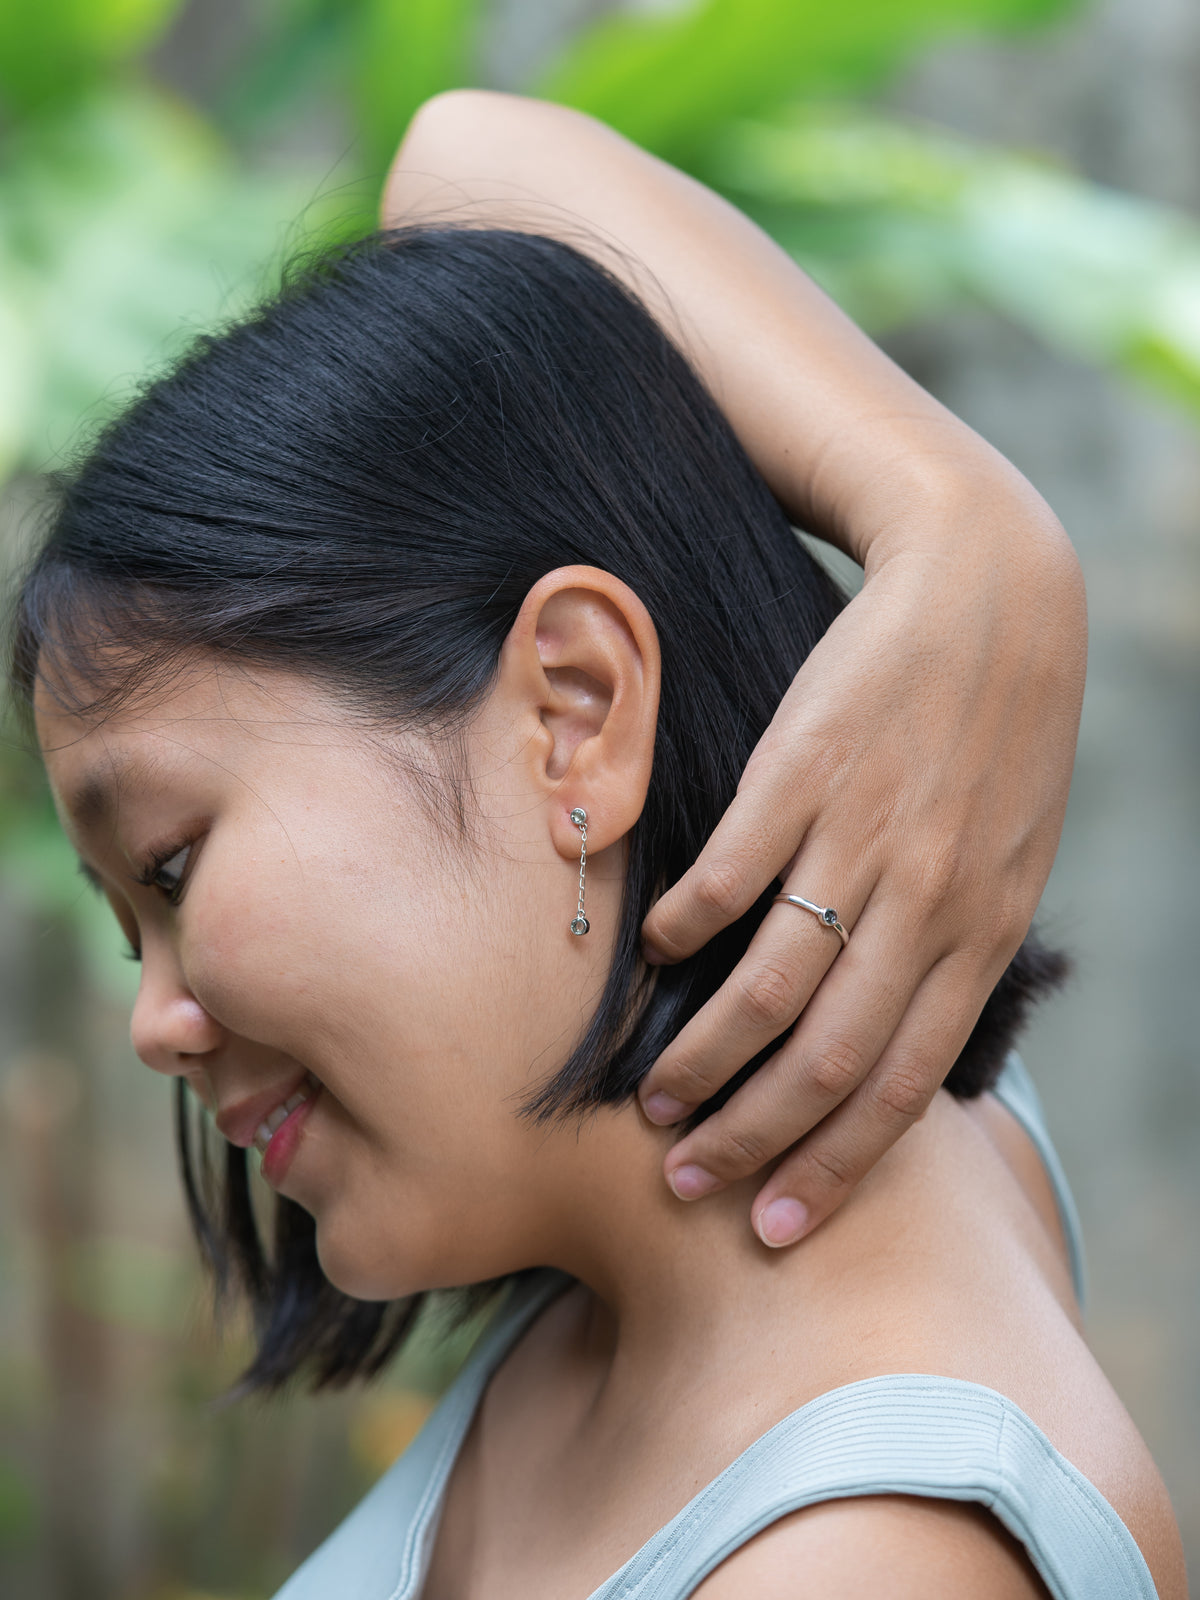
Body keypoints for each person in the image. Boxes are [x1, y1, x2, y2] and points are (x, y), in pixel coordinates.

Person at [14, 94, 1185, 1597]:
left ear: (574, 713)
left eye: (172, 871)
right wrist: (957, 522)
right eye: (131, 925)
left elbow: (467, 156)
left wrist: (979, 535)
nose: (153, 1025)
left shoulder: (860, 1563)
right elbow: (463, 162)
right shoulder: (885, 1098)